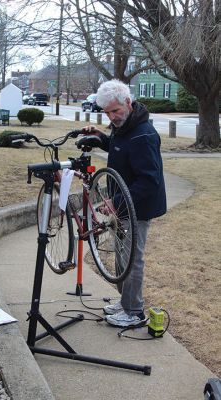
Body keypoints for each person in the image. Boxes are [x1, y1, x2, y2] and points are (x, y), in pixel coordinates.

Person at [83, 79, 167, 328]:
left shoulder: (143, 135)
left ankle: (134, 311)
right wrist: (100, 137)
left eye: (115, 111)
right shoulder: (125, 127)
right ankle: (125, 301)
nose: (112, 116)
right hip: (122, 206)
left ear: (128, 103)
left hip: (137, 206)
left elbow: (149, 181)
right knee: (122, 256)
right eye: (107, 112)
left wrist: (116, 201)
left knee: (132, 258)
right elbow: (119, 149)